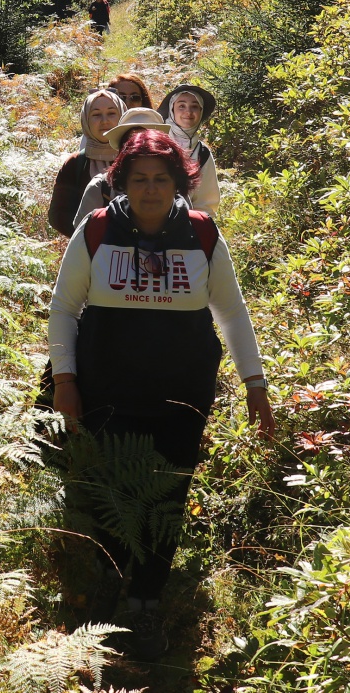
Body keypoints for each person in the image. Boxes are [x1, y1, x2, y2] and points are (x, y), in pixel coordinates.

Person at [48, 129, 275, 660]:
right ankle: (107, 584)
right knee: (110, 485)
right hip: (106, 385)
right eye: (139, 179)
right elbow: (63, 308)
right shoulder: (97, 229)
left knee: (168, 491)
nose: (150, 189)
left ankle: (146, 601)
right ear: (121, 181)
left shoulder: (201, 232)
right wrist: (65, 381)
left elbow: (232, 312)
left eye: (161, 179)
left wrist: (255, 385)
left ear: (179, 183)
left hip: (182, 390)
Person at [68, 107, 171, 229]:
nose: (141, 149)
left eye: (149, 142)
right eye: (133, 143)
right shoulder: (100, 187)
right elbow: (83, 234)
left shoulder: (175, 186)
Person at [47, 88, 124, 237]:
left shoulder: (135, 158)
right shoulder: (75, 163)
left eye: (111, 113)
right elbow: (58, 215)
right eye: (96, 115)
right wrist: (88, 236)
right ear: (86, 120)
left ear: (122, 116)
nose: (105, 120)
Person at [158, 84, 221, 214]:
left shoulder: (202, 153)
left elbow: (207, 203)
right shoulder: (156, 142)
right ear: (172, 109)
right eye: (181, 106)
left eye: (194, 106)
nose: (188, 112)